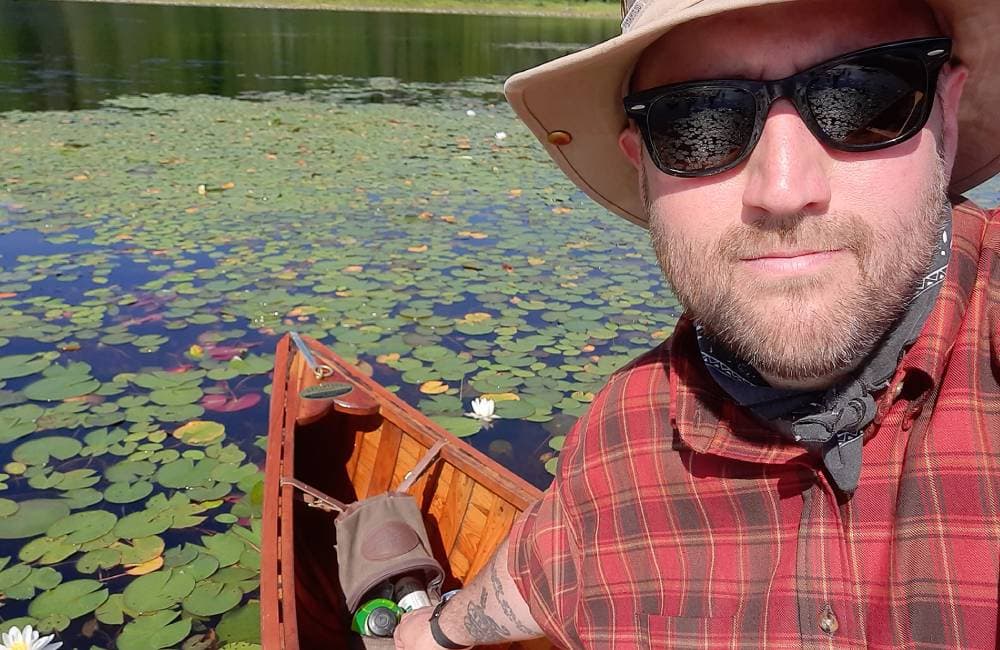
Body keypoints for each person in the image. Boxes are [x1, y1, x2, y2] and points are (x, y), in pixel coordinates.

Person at [396, 0, 1000, 647]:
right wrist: (428, 633)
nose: (784, 189)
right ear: (642, 168)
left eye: (864, 97)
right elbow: (537, 575)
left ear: (944, 115)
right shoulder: (620, 437)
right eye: (701, 120)